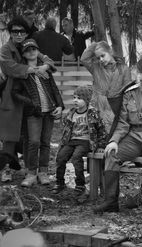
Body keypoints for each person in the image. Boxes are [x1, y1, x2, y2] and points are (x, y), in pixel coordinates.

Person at [93, 57, 142, 213]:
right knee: (112, 154)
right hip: (134, 135)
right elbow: (122, 122)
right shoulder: (130, 93)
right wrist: (114, 141)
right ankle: (111, 201)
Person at [0, 16, 54, 182]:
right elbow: (9, 67)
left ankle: (27, 169)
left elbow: (46, 58)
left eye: (21, 31)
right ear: (10, 32)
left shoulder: (28, 44)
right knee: (9, 135)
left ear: (26, 32)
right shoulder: (6, 49)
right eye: (14, 31)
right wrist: (32, 69)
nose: (18, 34)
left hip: (31, 98)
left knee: (27, 135)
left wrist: (45, 64)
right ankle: (6, 169)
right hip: (11, 95)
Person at [9, 39, 63, 187]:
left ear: (38, 51)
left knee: (45, 143)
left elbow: (54, 89)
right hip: (33, 112)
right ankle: (31, 173)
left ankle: (43, 172)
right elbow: (15, 93)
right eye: (27, 50)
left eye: (34, 49)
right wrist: (30, 102)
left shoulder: (45, 70)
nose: (31, 51)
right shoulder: (22, 72)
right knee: (33, 142)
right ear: (24, 54)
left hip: (49, 111)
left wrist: (60, 106)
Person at [53, 85, 107, 194]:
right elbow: (66, 128)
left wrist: (101, 145)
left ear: (86, 100)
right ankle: (60, 183)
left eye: (79, 98)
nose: (75, 100)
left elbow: (101, 129)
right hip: (72, 140)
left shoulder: (92, 113)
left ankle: (80, 184)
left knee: (76, 157)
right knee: (60, 157)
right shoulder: (72, 112)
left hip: (86, 141)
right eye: (74, 97)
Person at [81, 41, 132, 132]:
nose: (101, 59)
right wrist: (94, 45)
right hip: (97, 105)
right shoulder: (95, 67)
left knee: (112, 133)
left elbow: (127, 90)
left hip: (115, 106)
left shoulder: (124, 69)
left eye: (103, 55)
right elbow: (84, 59)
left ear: (110, 52)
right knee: (96, 135)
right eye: (98, 57)